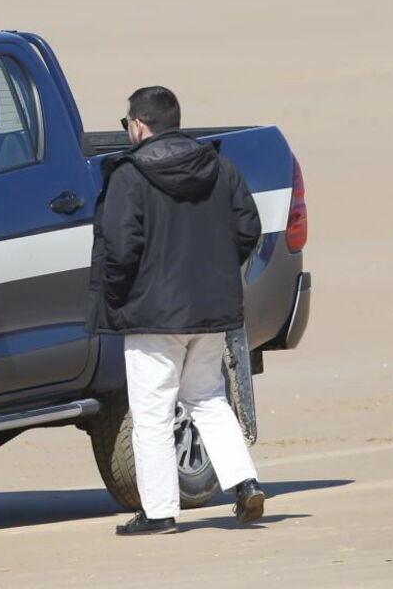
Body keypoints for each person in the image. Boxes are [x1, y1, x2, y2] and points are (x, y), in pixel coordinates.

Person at [88, 85, 265, 535]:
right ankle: (245, 483)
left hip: (152, 313)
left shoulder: (129, 174)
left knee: (152, 413)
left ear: (138, 125)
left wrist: (116, 297)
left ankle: (160, 512)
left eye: (127, 123)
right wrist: (217, 271)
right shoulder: (220, 166)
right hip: (211, 307)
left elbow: (120, 247)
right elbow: (248, 229)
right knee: (207, 398)